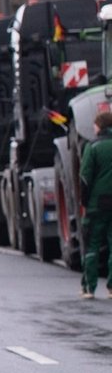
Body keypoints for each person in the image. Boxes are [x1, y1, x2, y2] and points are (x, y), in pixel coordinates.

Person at [77, 110, 112, 298]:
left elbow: (85, 178)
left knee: (92, 246)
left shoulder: (93, 147)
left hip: (97, 205)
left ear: (100, 126)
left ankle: (89, 288)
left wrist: (84, 201)